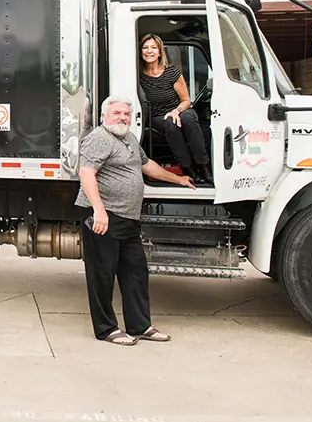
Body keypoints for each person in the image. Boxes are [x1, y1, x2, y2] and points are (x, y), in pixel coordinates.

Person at [75, 95, 195, 346]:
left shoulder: (127, 138)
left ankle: (139, 326)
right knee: (103, 275)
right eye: (117, 113)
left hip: (128, 218)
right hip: (104, 217)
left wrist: (178, 179)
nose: (122, 117)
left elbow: (147, 165)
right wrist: (99, 210)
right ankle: (106, 329)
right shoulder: (100, 138)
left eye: (126, 114)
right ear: (104, 115)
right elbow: (86, 173)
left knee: (135, 273)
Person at [138, 34, 212, 185]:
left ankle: (203, 166)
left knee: (189, 119)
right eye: (145, 47)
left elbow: (186, 100)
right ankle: (187, 168)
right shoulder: (138, 75)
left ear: (160, 52)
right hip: (158, 116)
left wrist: (176, 111)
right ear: (140, 51)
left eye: (153, 47)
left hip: (180, 109)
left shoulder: (172, 72)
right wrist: (171, 115)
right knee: (171, 124)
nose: (149, 51)